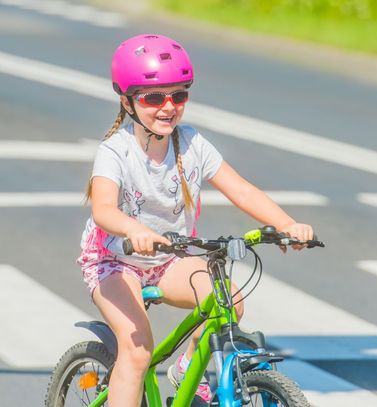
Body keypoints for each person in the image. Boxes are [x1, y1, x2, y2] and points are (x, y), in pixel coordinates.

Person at [77, 33, 314, 406]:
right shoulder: (116, 151)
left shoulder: (191, 143)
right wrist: (135, 230)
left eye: (179, 95)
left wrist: (286, 224)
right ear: (127, 101)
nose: (168, 107)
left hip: (168, 259)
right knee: (137, 351)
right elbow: (103, 209)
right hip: (115, 261)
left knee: (228, 303)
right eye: (153, 98)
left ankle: (187, 368)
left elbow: (242, 190)